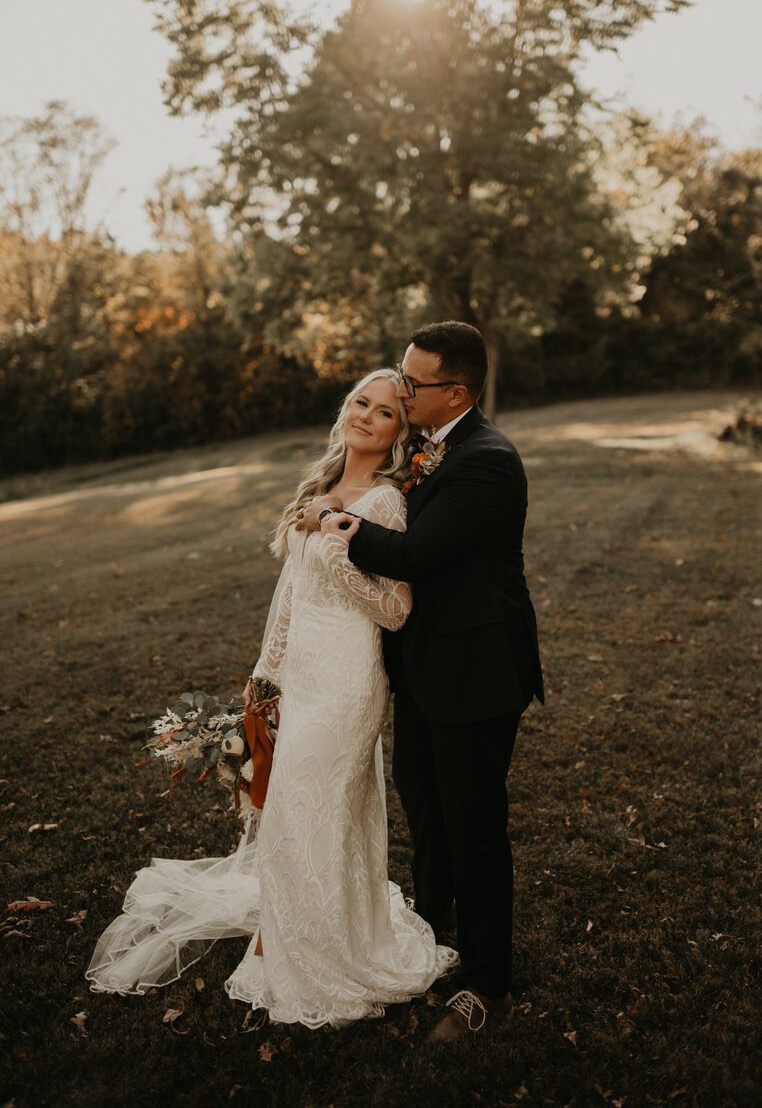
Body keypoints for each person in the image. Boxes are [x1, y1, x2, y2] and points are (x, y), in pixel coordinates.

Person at [87, 369, 457, 1027]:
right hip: (297, 678)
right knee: (287, 818)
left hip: (347, 684)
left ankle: (324, 958)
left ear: (401, 434)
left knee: (308, 817)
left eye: (384, 413)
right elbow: (289, 596)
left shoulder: (384, 503)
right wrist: (262, 681)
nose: (367, 417)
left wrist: (342, 545)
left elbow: (396, 609)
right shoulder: (319, 487)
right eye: (359, 403)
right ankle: (286, 940)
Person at [298, 322, 543, 1042]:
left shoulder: (487, 461)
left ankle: (488, 989)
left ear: (455, 392)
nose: (401, 392)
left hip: (477, 672)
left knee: (473, 830)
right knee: (429, 818)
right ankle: (435, 945)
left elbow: (416, 554)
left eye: (412, 384)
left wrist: (330, 518)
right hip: (424, 671)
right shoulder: (432, 450)